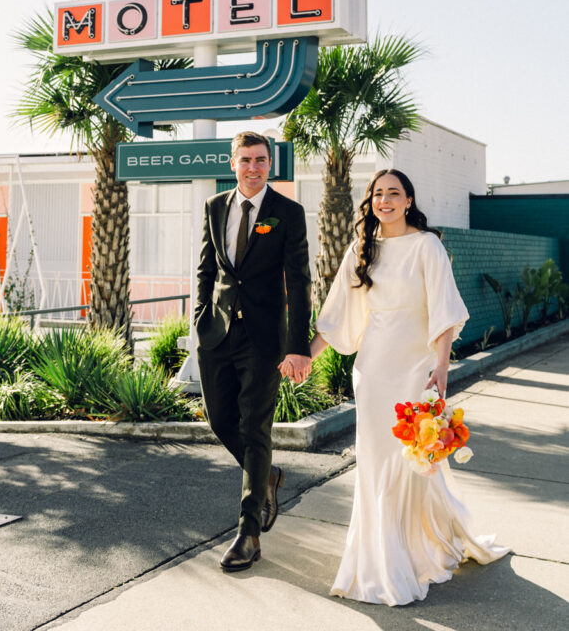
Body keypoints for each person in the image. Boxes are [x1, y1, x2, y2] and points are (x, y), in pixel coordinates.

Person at [309, 168, 509, 606]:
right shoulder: (361, 249)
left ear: (408, 200)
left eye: (393, 193)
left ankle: (415, 547)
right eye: (378, 193)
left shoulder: (427, 246)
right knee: (377, 462)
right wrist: (309, 355)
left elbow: (442, 312)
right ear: (371, 201)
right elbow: (339, 312)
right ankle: (378, 557)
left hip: (414, 368)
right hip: (373, 369)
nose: (385, 200)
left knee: (411, 462)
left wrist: (441, 369)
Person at [195, 131, 312, 571]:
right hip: (217, 334)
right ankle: (267, 476)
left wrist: (298, 347)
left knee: (256, 425)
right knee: (220, 419)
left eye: (261, 160)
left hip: (265, 339)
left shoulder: (287, 213)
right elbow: (207, 268)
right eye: (245, 160)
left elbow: (299, 282)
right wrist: (200, 317)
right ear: (233, 163)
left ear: (270, 164)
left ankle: (248, 533)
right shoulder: (215, 207)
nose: (253, 167)